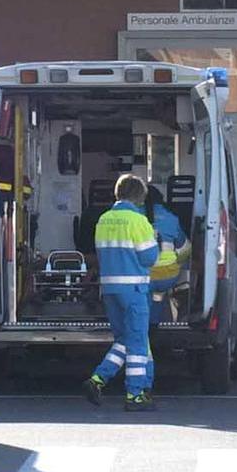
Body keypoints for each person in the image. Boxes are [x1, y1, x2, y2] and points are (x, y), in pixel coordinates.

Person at [82, 174, 159, 412]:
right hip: (133, 289)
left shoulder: (103, 219)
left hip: (109, 290)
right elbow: (149, 258)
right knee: (137, 344)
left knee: (125, 339)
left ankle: (98, 380)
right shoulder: (138, 221)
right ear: (139, 197)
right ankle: (135, 395)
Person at [144, 185, 188, 388]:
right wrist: (179, 264)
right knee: (158, 294)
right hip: (168, 275)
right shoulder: (171, 218)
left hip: (144, 276)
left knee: (144, 293)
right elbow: (184, 248)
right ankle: (154, 325)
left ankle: (146, 329)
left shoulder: (134, 218)